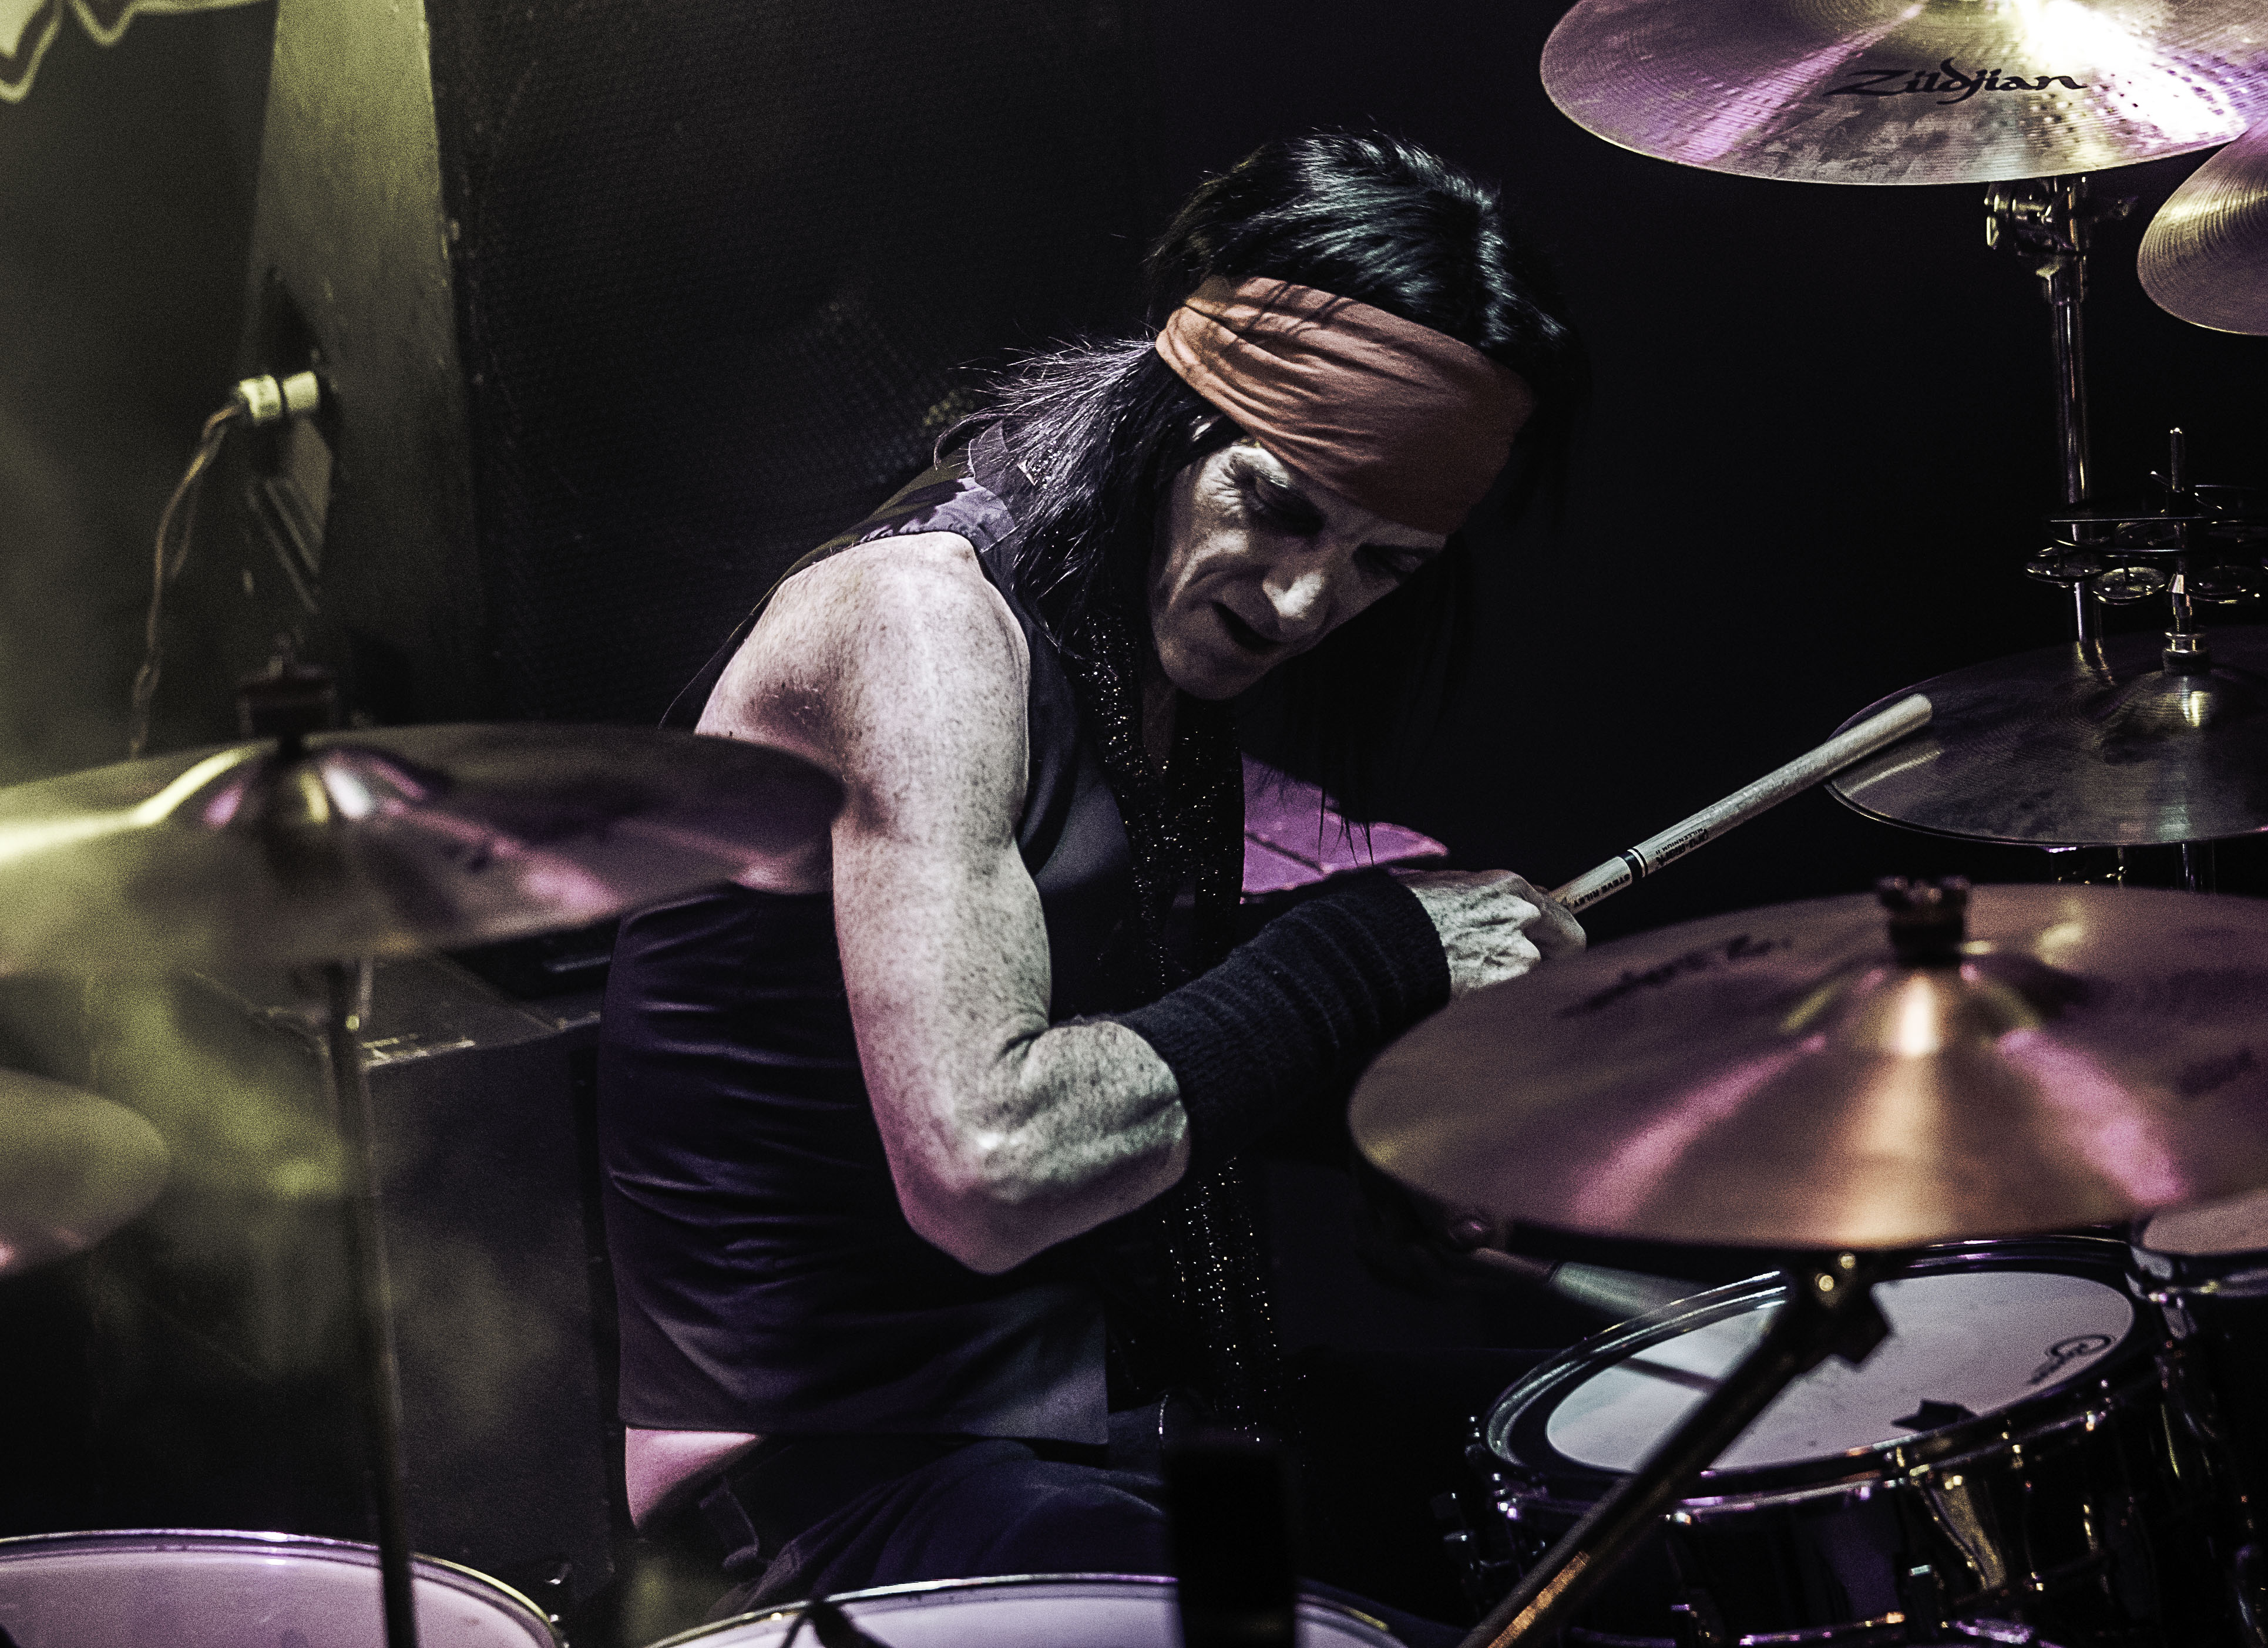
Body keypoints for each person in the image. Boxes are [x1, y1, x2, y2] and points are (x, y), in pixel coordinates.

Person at [596, 131, 1590, 1625]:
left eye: (1385, 566)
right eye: (1280, 505)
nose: (1308, 600)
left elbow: (1119, 1012)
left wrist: (1371, 1119)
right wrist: (1372, 955)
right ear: (1177, 412)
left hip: (1109, 1430)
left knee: (1616, 1493)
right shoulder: (919, 629)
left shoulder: (1143, 657)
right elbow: (988, 1165)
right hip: (831, 1490)